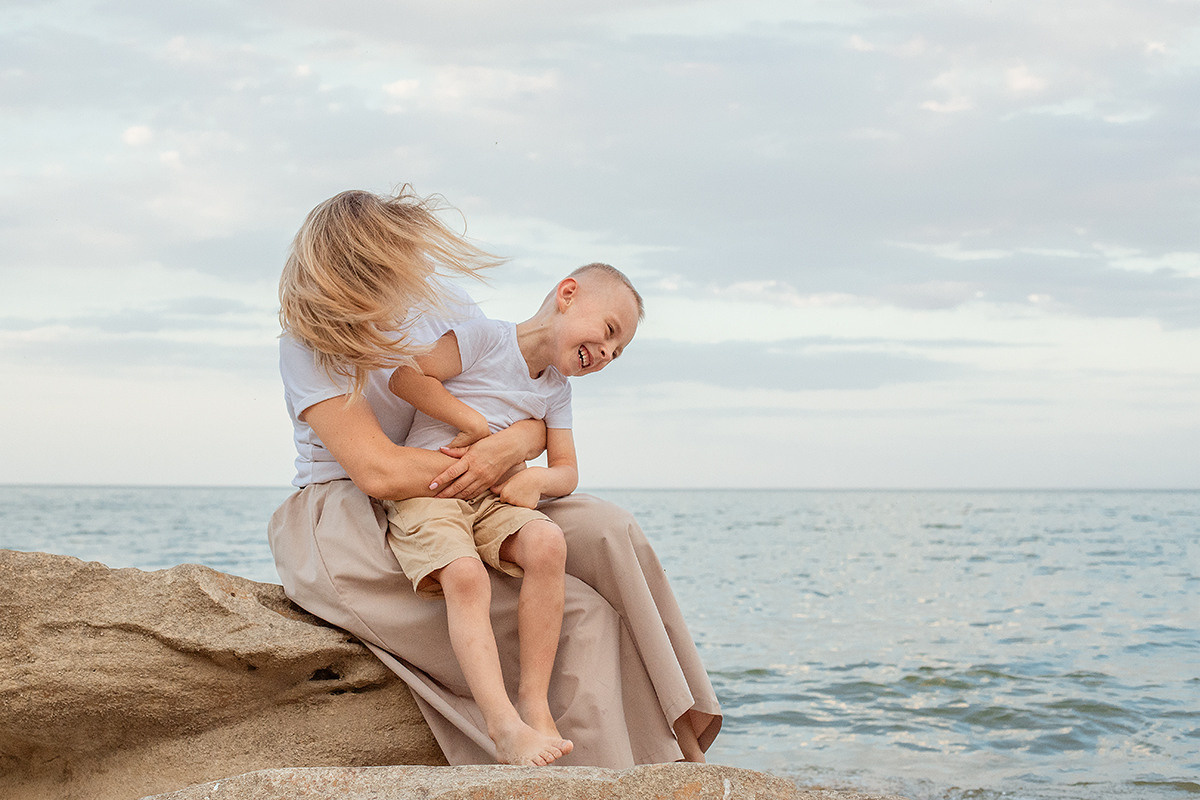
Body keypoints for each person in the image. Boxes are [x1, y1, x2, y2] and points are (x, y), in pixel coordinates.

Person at [268, 187, 721, 768]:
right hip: (352, 509)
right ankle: (586, 767)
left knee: (610, 529)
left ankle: (681, 736)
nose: (408, 271)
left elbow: (519, 401)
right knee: (582, 615)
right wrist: (488, 463)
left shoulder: (445, 305)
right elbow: (378, 470)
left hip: (468, 483)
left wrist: (511, 446)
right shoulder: (312, 335)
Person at [379, 263, 643, 766]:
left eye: (618, 351)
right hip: (429, 492)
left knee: (548, 544)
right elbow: (406, 377)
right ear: (568, 294)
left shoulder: (556, 391)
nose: (608, 353)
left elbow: (566, 471)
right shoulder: (485, 340)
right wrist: (474, 424)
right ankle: (501, 725)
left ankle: (533, 702)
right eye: (609, 332)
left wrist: (534, 480)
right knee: (465, 575)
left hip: (492, 500)